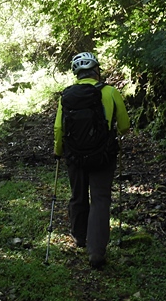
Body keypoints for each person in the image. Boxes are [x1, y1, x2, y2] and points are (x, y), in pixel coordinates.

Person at [53, 52, 130, 269]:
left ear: (76, 73)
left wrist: (58, 151)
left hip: (74, 156)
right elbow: (124, 125)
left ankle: (79, 238)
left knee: (78, 195)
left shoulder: (66, 96)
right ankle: (96, 252)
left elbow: (59, 128)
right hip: (103, 155)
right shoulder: (111, 92)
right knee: (100, 199)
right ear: (96, 70)